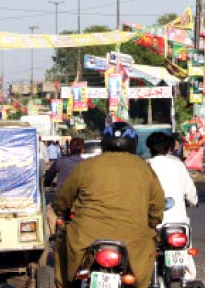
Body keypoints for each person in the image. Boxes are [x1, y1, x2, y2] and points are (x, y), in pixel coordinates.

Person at [54, 122, 164, 288]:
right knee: (148, 251)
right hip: (133, 240)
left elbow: (64, 197)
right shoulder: (144, 168)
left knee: (61, 239)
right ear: (133, 144)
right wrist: (153, 221)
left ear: (104, 142)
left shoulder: (87, 166)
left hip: (86, 239)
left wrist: (60, 210)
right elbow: (157, 205)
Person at [147, 132, 199, 284]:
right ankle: (188, 276)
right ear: (169, 148)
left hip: (155, 224)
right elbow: (191, 191)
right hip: (179, 223)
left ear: (150, 149)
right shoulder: (178, 164)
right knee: (186, 252)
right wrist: (194, 201)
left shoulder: (146, 165)